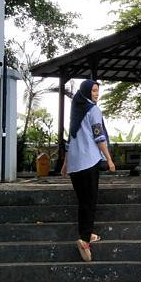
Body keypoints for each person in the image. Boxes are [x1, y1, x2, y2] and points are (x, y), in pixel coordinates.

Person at [60, 79, 115, 261]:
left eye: (97, 91)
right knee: (89, 202)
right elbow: (99, 137)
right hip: (89, 161)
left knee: (83, 201)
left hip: (75, 164)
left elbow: (70, 139)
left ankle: (88, 233)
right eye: (93, 91)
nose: (96, 94)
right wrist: (109, 159)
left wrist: (66, 164)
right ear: (86, 92)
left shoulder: (75, 111)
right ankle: (84, 241)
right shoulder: (93, 110)